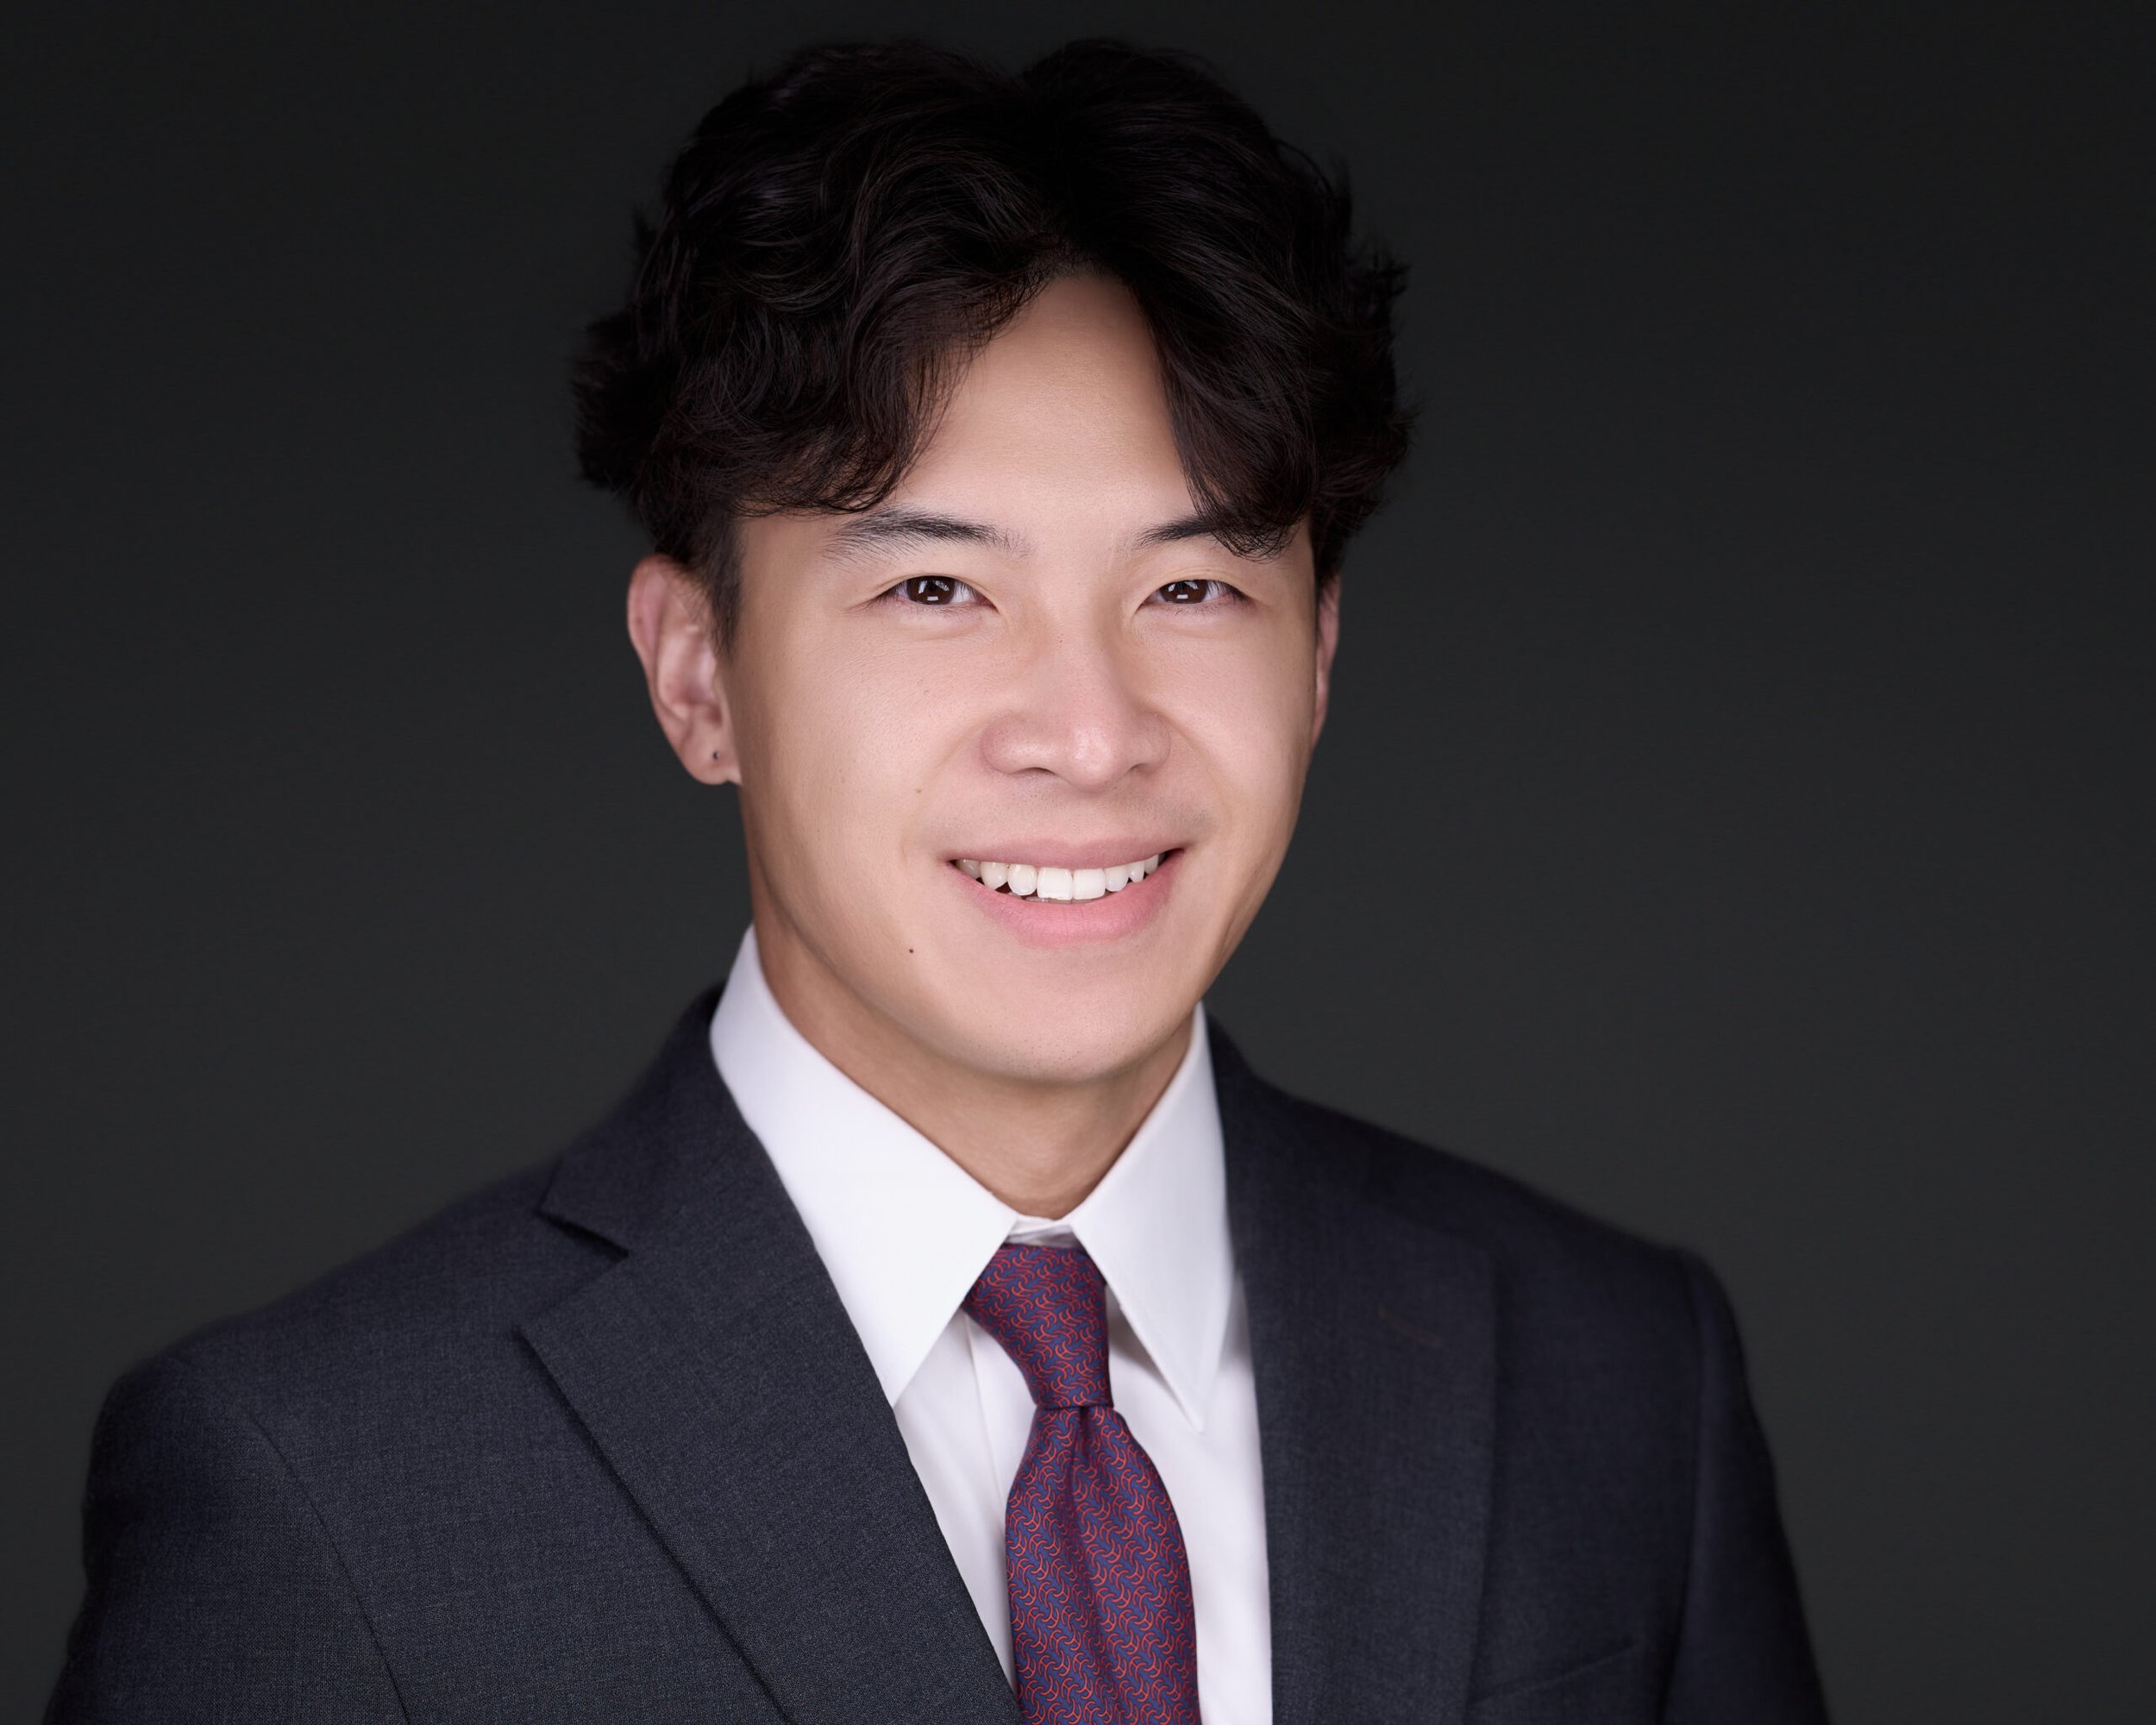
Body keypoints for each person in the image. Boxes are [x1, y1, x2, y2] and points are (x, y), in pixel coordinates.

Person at [46, 38, 1827, 1724]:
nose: (1089, 732)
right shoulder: (325, 1484)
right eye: (935, 590)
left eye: (1192, 588)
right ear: (697, 675)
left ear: (1319, 657)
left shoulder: (1613, 1375)